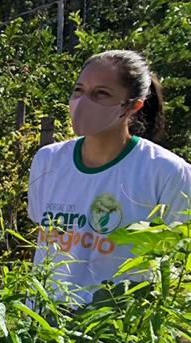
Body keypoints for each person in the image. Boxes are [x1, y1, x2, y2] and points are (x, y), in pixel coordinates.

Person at [28, 50, 191, 305]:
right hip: (44, 325)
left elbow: (178, 260)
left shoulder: (166, 172)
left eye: (100, 94)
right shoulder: (49, 161)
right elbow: (44, 235)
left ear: (132, 106)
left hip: (116, 334)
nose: (82, 103)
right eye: (79, 90)